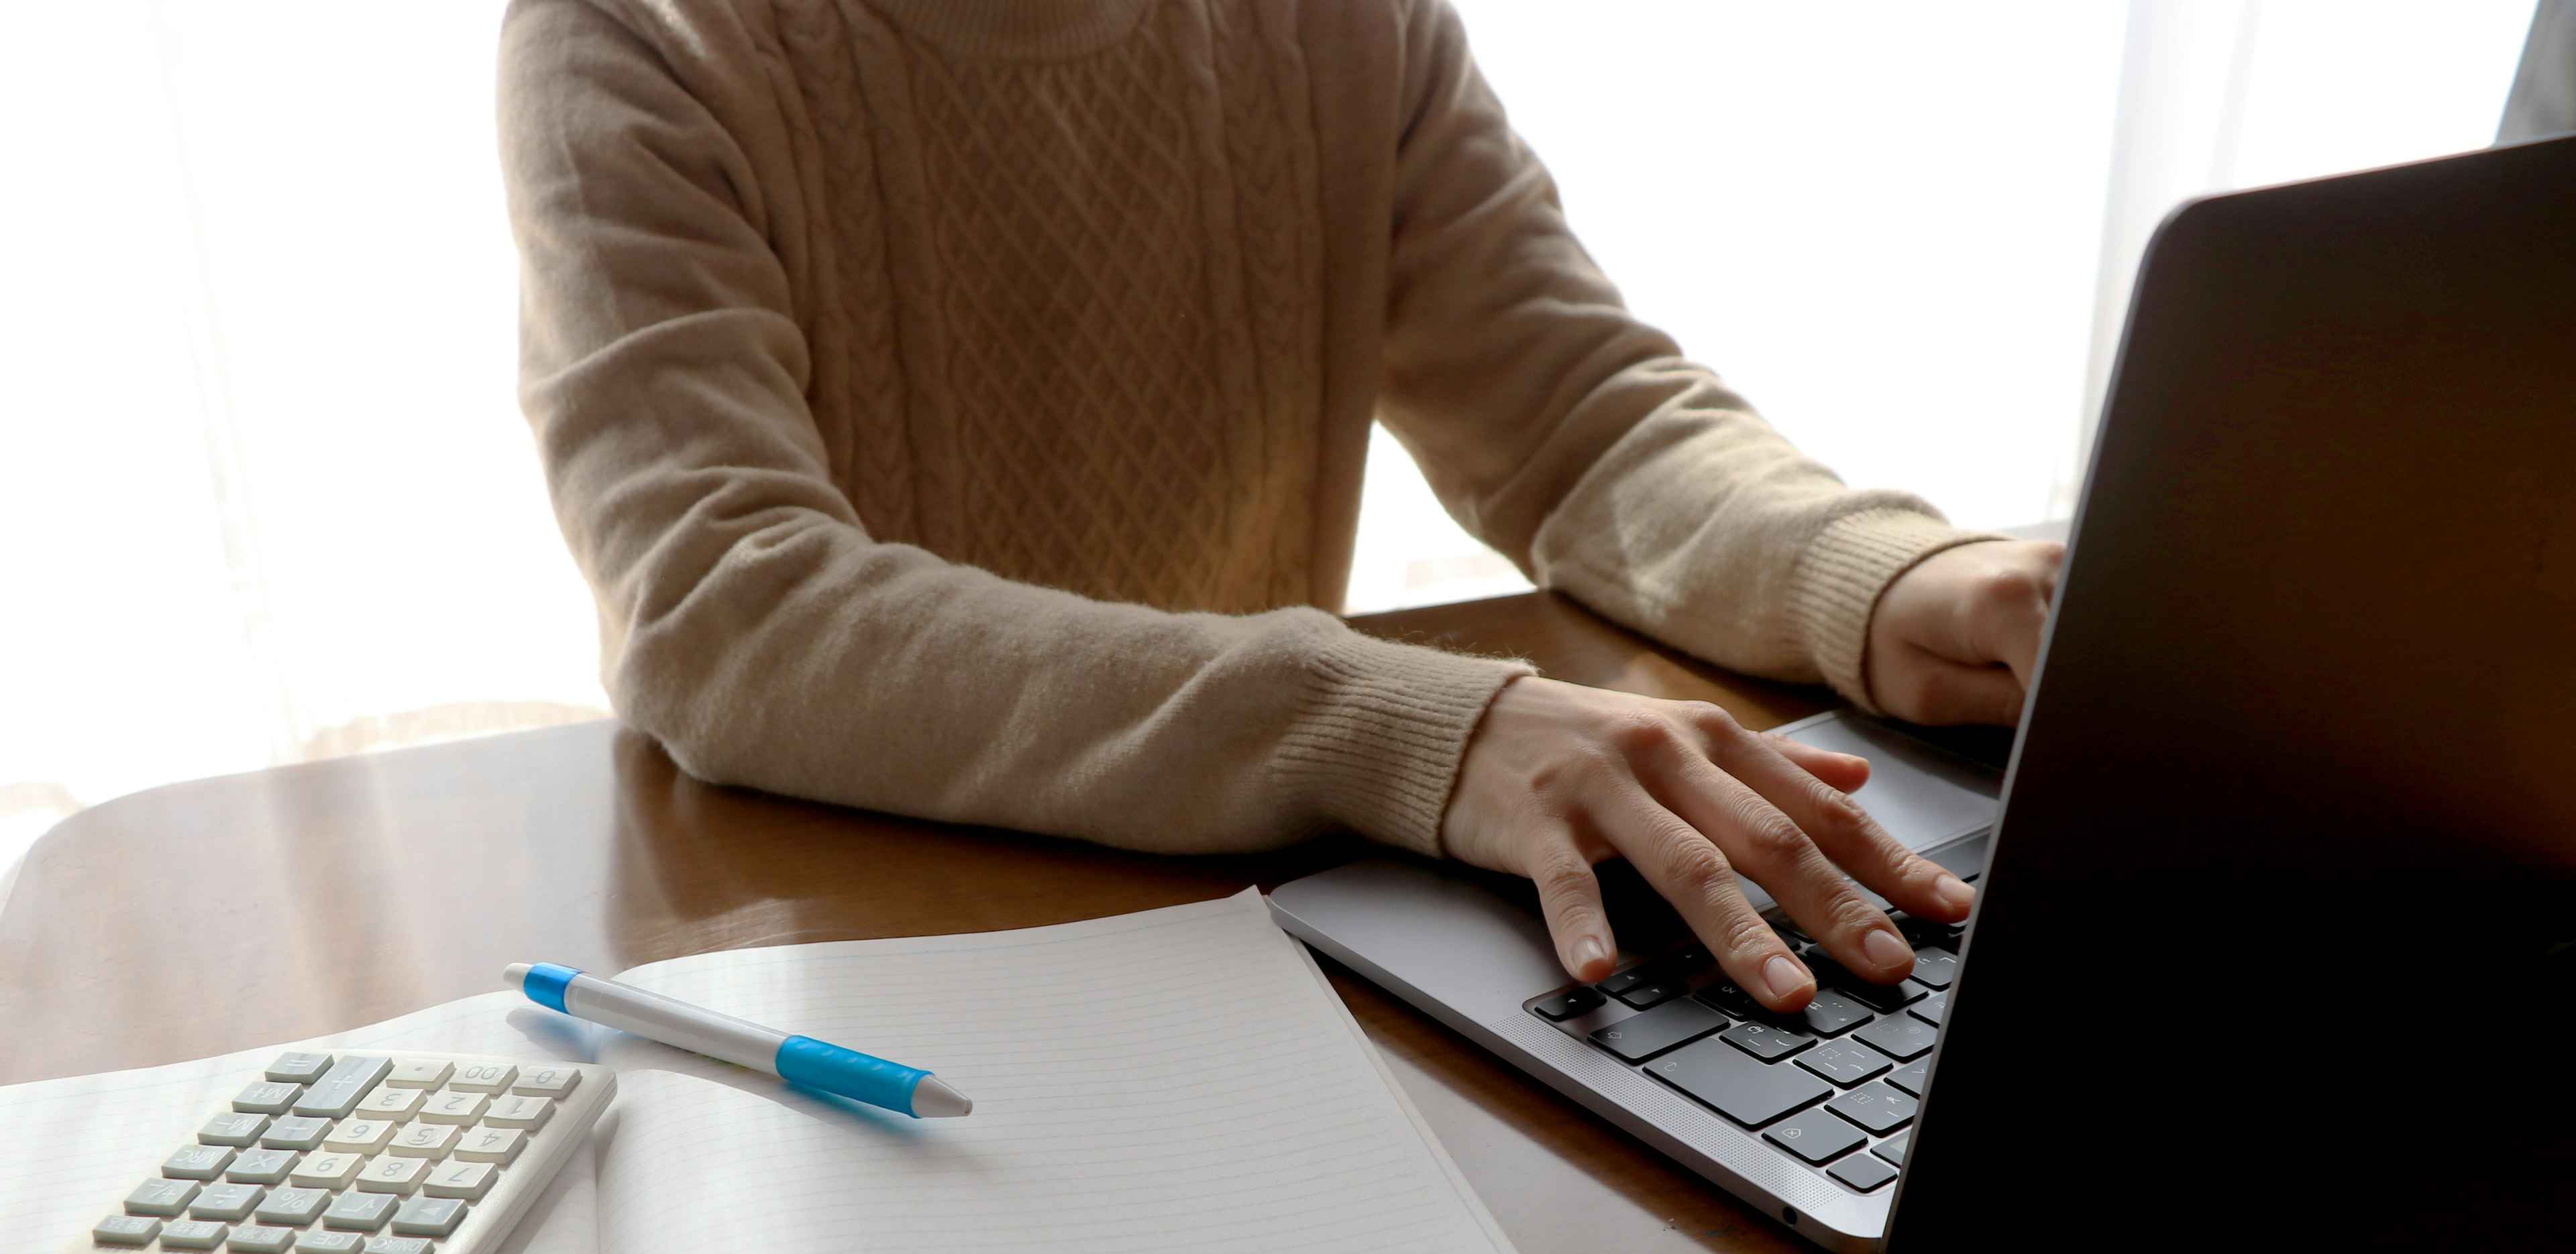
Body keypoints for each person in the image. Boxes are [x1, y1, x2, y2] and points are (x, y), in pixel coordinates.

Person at [498, 0, 2062, 1016]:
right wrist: (1418, 729)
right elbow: (725, 606)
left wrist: (1876, 577)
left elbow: (1581, 420)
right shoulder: (635, 38)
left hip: (1267, 935)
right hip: (880, 975)